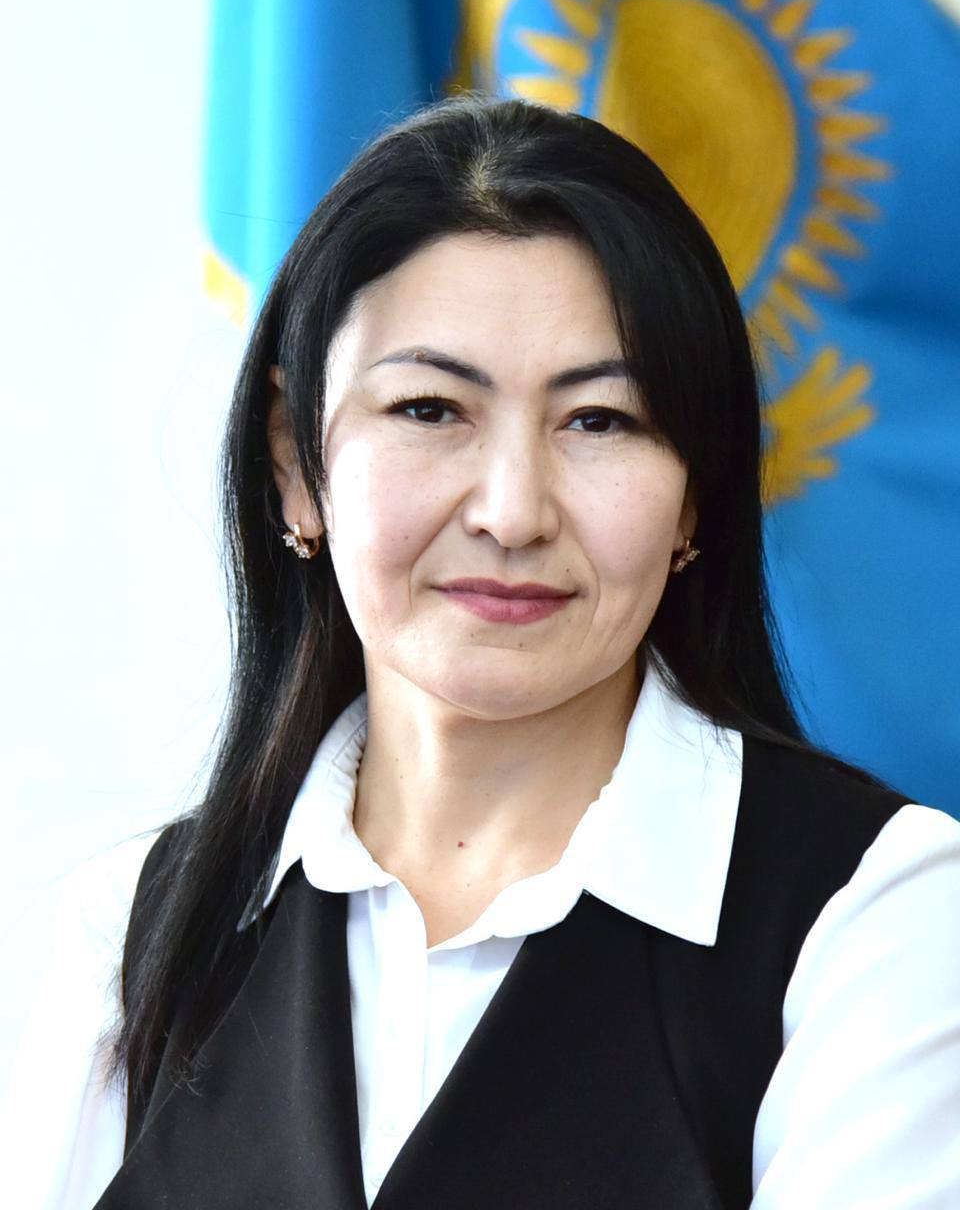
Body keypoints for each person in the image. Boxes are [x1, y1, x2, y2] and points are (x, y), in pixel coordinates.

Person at [5, 94, 960, 1209]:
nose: (512, 512)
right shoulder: (136, 928)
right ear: (296, 464)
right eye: (429, 409)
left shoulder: (877, 914)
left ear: (696, 491)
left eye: (600, 420)